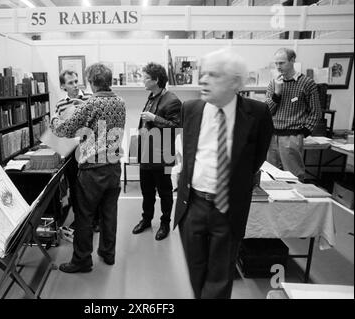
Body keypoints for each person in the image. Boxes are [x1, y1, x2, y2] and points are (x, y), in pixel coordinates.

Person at [173, 49, 273, 299]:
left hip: (228, 208)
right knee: (194, 273)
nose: (203, 80)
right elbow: (187, 151)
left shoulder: (257, 113)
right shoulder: (191, 108)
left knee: (219, 277)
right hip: (192, 205)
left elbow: (256, 159)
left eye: (214, 75)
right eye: (203, 73)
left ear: (235, 83)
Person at [51, 63, 126, 273]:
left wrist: (55, 118)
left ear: (92, 83)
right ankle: (107, 253)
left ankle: (82, 260)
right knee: (109, 214)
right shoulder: (120, 102)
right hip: (114, 167)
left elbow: (64, 130)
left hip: (92, 170)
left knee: (84, 216)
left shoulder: (89, 104)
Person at [131, 62, 181, 241]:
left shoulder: (172, 100)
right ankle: (146, 220)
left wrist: (155, 118)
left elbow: (176, 127)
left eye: (145, 78)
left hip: (164, 158)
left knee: (165, 192)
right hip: (147, 156)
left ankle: (165, 223)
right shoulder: (151, 97)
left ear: (156, 80)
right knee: (147, 192)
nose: (142, 81)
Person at [265, 48, 321, 182]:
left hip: (292, 136)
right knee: (270, 176)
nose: (278, 67)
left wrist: (303, 133)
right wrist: (277, 93)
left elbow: (316, 112)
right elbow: (267, 111)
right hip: (273, 136)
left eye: (282, 63)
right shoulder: (274, 83)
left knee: (293, 177)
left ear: (292, 61)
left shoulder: (307, 83)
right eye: (276, 63)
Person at [55, 70, 100, 232]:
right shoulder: (60, 104)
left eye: (76, 81)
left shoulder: (90, 98)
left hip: (89, 151)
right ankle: (79, 220)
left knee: (91, 187)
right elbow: (60, 129)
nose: (75, 85)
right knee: (74, 188)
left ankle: (96, 219)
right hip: (71, 153)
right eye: (70, 83)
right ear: (63, 86)